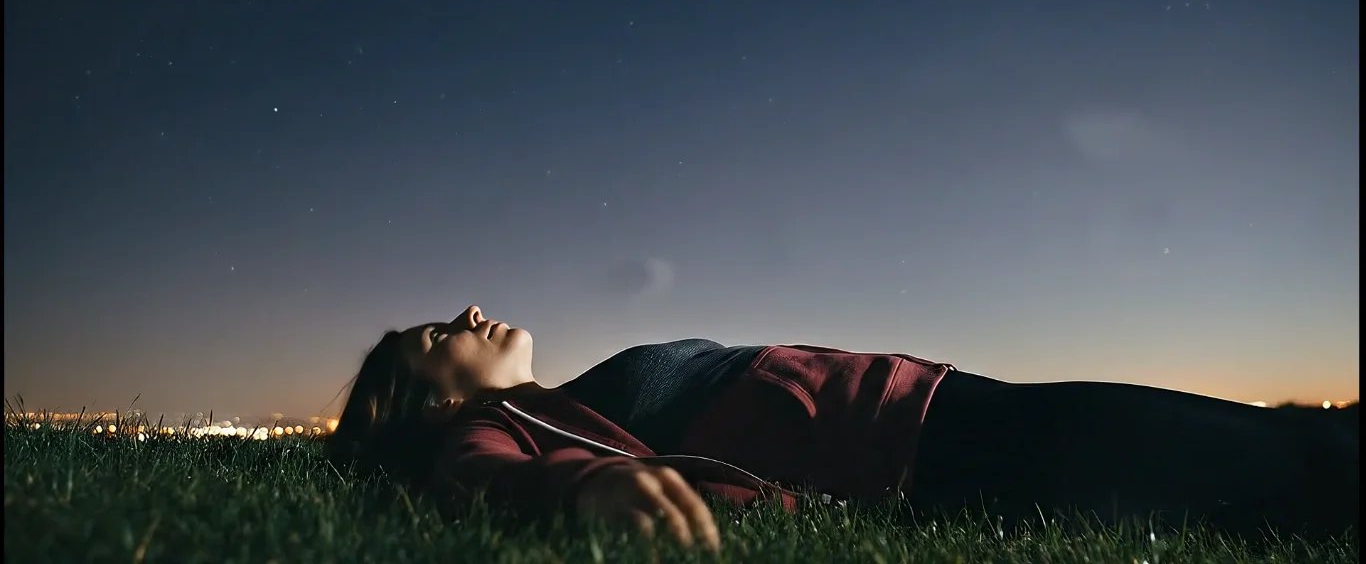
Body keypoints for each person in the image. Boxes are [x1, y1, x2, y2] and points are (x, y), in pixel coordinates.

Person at [328, 305, 1359, 551]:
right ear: (432, 399)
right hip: (931, 448)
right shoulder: (492, 426)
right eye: (438, 334)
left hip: (941, 407)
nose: (469, 311)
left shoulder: (571, 402)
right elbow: (481, 475)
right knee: (1275, 463)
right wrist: (584, 488)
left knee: (1253, 455)